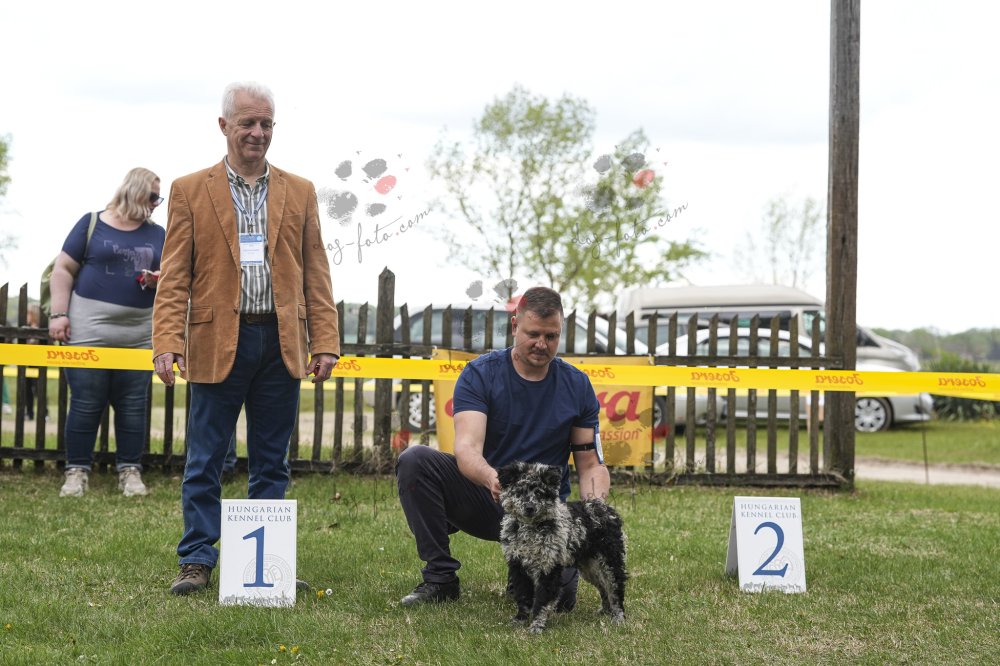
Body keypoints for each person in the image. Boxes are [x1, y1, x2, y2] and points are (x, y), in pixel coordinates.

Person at [152, 81, 340, 596]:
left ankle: (265, 563)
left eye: (266, 124)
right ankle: (196, 559)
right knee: (205, 459)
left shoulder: (300, 191)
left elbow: (316, 271)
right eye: (248, 123)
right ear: (224, 126)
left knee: (272, 461)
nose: (258, 133)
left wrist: (324, 340)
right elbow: (174, 276)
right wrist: (167, 340)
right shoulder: (189, 189)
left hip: (281, 343)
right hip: (216, 342)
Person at [394, 286, 610, 607]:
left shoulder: (577, 385)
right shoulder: (480, 374)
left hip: (546, 511)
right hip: (489, 495)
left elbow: (590, 463)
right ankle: (440, 578)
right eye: (533, 334)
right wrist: (493, 479)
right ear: (514, 326)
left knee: (559, 601)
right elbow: (467, 448)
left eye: (551, 336)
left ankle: (522, 567)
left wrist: (595, 510)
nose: (542, 344)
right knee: (415, 460)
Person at [48, 167, 165, 498]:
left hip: (139, 334)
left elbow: (176, 276)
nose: (156, 204)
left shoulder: (159, 233)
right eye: (153, 197)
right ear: (134, 190)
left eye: (159, 198)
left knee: (133, 406)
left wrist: (160, 278)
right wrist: (58, 314)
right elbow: (63, 269)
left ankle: (130, 471)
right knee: (85, 403)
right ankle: (76, 472)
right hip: (88, 330)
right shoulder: (91, 223)